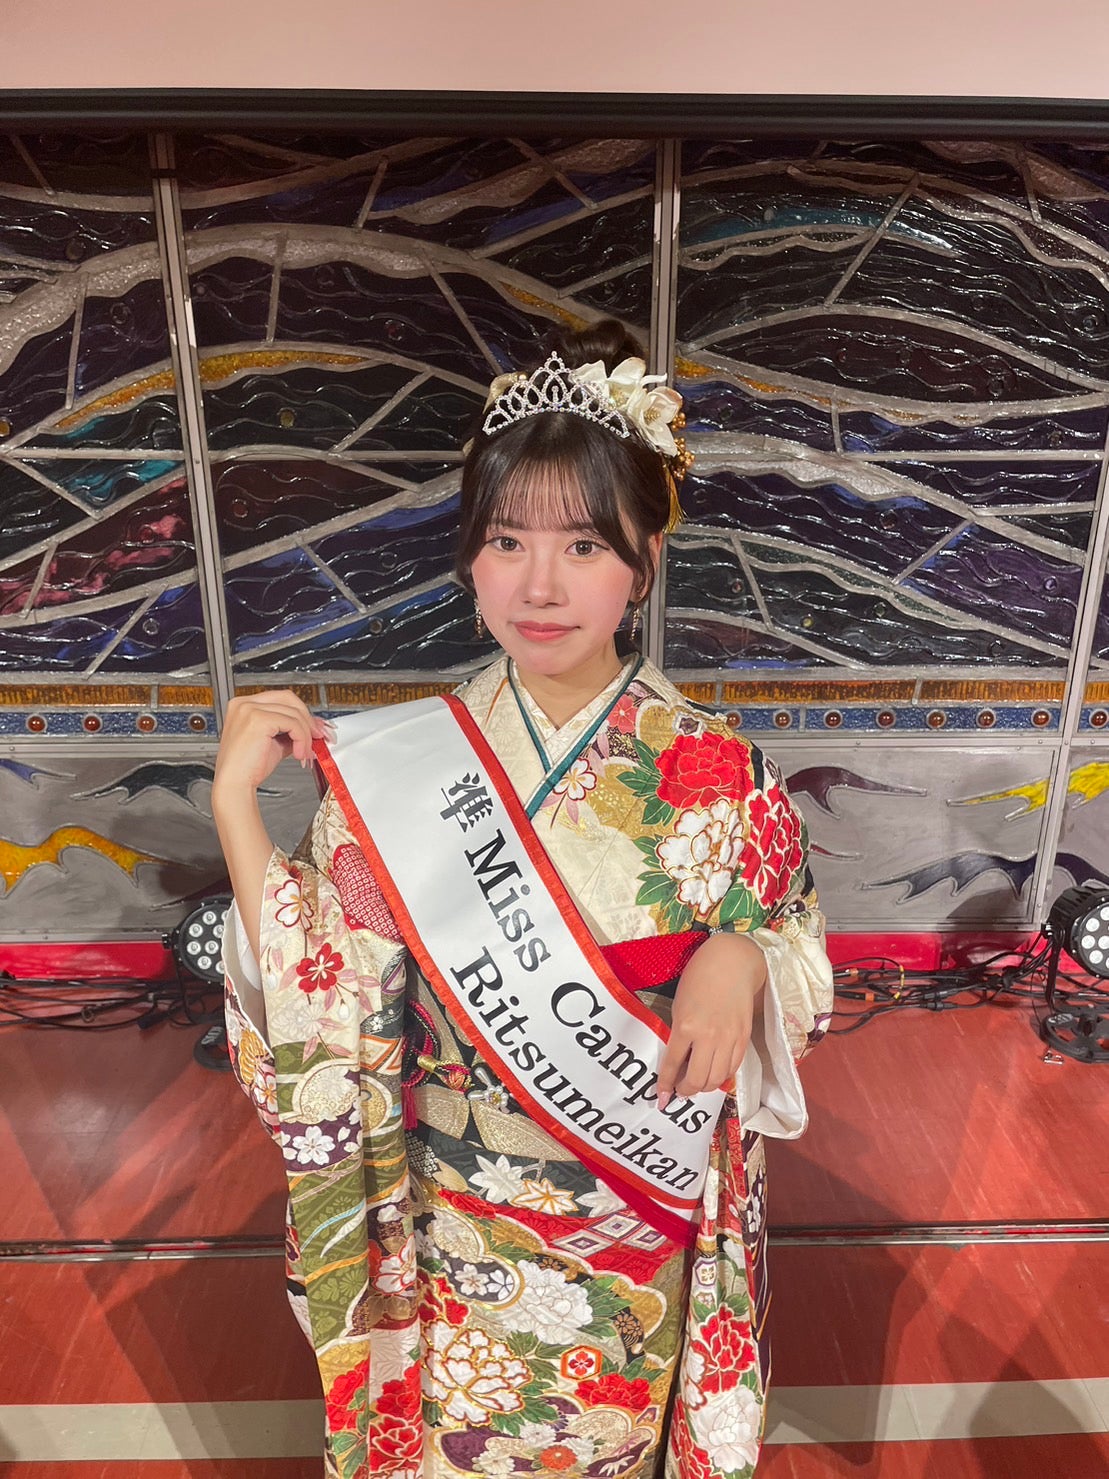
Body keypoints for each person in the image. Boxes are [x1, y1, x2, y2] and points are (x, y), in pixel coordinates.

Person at [215, 318, 834, 1479]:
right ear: (470, 557)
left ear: (644, 559)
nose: (538, 586)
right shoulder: (402, 766)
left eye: (583, 546)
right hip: (452, 1231)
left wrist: (746, 959)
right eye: (506, 540)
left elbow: (800, 958)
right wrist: (235, 811)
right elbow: (320, 993)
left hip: (632, 1224)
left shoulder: (722, 777)